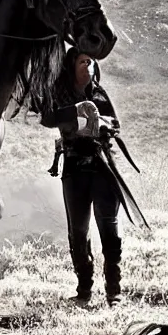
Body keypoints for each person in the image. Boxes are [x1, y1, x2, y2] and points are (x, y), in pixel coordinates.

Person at [41, 47, 124, 307]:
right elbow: (48, 117)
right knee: (78, 233)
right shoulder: (60, 93)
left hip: (102, 168)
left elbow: (116, 125)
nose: (87, 65)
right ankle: (84, 291)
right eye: (82, 61)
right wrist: (76, 111)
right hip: (75, 169)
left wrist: (102, 124)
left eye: (90, 61)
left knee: (109, 229)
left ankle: (114, 291)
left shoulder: (100, 93)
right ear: (71, 65)